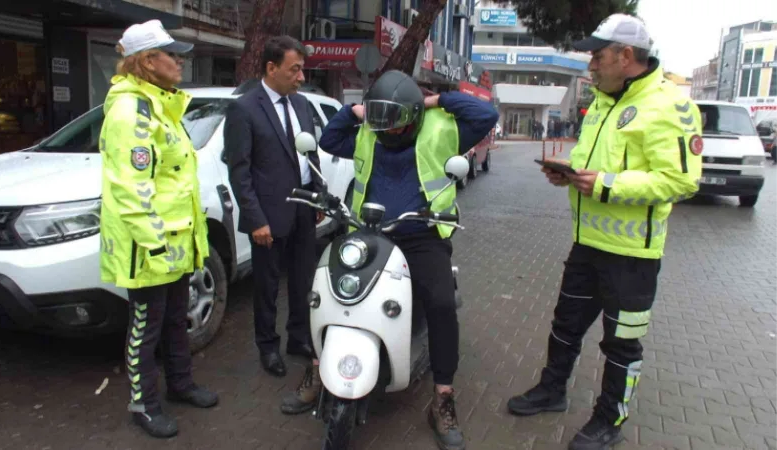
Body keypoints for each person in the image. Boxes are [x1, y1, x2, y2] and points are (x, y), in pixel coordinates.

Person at [505, 14, 702, 450]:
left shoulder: (671, 105)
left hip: (633, 256)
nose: (590, 64)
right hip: (587, 244)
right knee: (565, 326)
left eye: (598, 55)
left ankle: (608, 419)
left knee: (621, 345)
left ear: (625, 56)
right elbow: (590, 154)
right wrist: (569, 172)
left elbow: (681, 181)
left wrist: (607, 185)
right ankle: (552, 391)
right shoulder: (601, 100)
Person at [294, 70, 498, 450]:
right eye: (380, 122)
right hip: (366, 229)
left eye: (395, 122)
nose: (387, 132)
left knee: (439, 303)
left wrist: (438, 100)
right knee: (325, 291)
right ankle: (317, 370)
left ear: (414, 115)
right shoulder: (370, 127)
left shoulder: (441, 127)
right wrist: (358, 110)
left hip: (421, 233)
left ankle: (442, 397)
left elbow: (486, 117)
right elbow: (330, 138)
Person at [98, 19, 219, 439]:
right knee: (145, 327)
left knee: (174, 321)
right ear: (149, 62)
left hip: (175, 242)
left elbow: (174, 180)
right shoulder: (131, 111)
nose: (181, 62)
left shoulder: (160, 105)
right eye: (174, 55)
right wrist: (154, 246)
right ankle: (143, 405)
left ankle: (181, 385)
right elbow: (131, 189)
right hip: (150, 247)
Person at [224, 36, 324, 379]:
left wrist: (318, 197)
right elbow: (240, 170)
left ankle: (298, 337)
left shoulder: (301, 105)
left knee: (302, 280)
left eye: (302, 70)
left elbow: (310, 155)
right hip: (268, 216)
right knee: (267, 286)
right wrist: (255, 219)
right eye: (294, 69)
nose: (300, 77)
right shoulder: (244, 108)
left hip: (304, 210)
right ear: (271, 67)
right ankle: (268, 346)